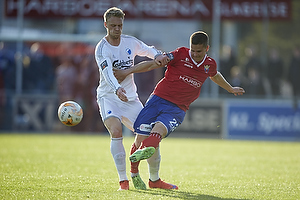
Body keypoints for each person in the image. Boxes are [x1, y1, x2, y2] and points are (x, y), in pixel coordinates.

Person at [114, 31, 245, 190]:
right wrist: (130, 70)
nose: (195, 54)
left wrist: (230, 89)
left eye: (199, 51)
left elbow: (215, 75)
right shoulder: (180, 53)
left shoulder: (209, 64)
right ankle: (135, 173)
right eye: (193, 50)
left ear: (207, 49)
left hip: (177, 108)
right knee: (140, 139)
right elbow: (154, 63)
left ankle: (153, 178)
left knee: (156, 135)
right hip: (157, 99)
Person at [94, 7, 168, 191]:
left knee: (150, 137)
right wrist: (117, 88)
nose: (117, 29)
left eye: (119, 25)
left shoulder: (129, 42)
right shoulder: (102, 49)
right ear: (105, 25)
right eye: (113, 26)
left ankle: (155, 179)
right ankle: (123, 182)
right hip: (109, 97)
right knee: (116, 131)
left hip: (130, 99)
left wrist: (157, 54)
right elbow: (108, 73)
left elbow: (147, 49)